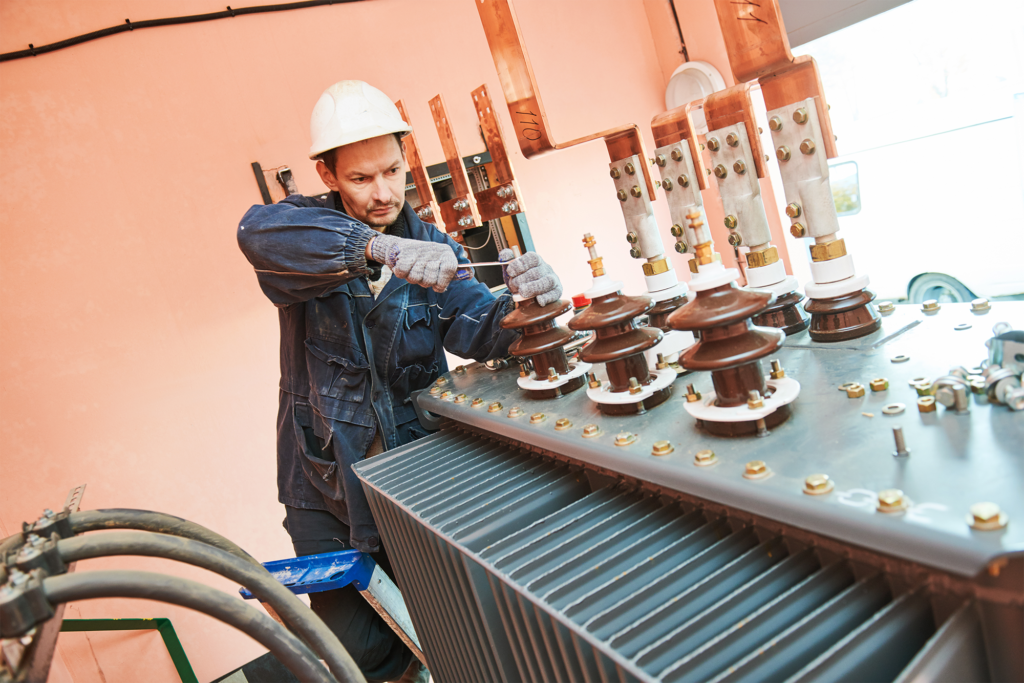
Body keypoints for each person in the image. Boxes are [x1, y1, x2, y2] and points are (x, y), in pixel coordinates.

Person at [237, 80, 561, 683]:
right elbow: (256, 234)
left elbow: (481, 328)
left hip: (414, 481)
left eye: (393, 170)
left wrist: (526, 302)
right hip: (325, 488)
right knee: (357, 655)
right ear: (327, 174)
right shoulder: (304, 235)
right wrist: (378, 247)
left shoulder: (433, 246)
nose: (384, 192)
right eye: (361, 179)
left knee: (450, 634)